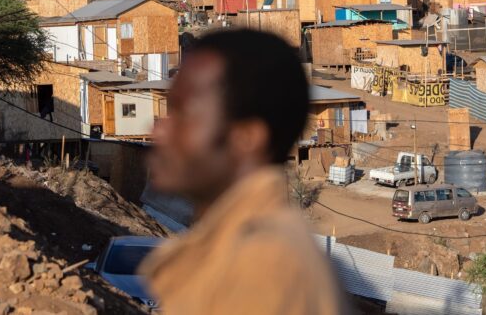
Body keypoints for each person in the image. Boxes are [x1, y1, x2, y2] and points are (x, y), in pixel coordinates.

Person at [140, 29, 348, 315]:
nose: (159, 130)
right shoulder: (231, 247)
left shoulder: (261, 265)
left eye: (184, 115)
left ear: (247, 137)